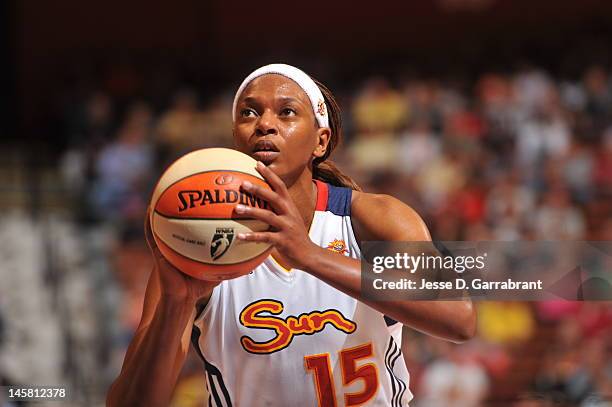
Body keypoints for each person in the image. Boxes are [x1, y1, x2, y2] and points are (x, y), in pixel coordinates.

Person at [106, 64, 476, 407]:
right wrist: (176, 303)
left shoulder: (374, 218)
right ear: (236, 136)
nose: (264, 123)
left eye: (286, 112)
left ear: (320, 140)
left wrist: (310, 255)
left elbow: (458, 318)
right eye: (249, 112)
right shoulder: (201, 246)